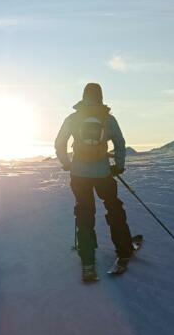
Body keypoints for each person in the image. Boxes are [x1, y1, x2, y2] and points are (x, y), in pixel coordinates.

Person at [55, 83, 133, 282]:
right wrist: (119, 166)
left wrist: (67, 163)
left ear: (83, 96)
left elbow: (60, 143)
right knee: (114, 207)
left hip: (79, 174)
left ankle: (88, 259)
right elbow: (120, 143)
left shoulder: (73, 118)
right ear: (100, 96)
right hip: (103, 173)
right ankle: (124, 250)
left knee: (84, 211)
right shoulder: (108, 118)